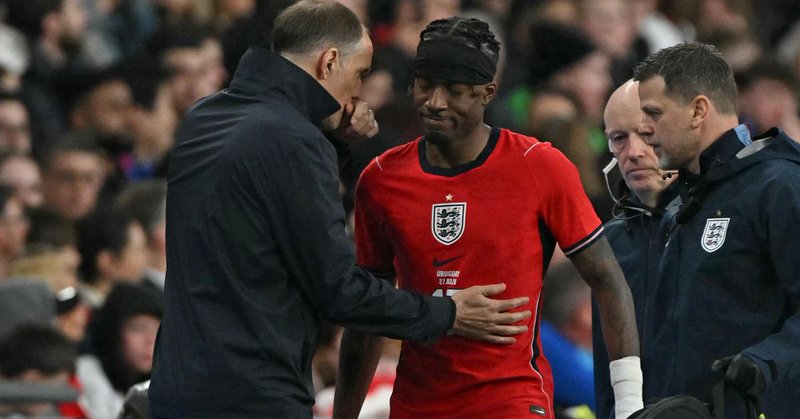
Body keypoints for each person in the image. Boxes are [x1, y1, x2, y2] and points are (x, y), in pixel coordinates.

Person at [148, 2, 531, 418]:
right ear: (329, 61)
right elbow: (339, 290)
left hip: (176, 386)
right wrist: (448, 313)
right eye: (360, 73)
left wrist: (333, 140)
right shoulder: (294, 140)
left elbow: (260, 215)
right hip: (252, 395)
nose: (359, 93)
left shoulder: (203, 117)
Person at [334, 16, 642, 419]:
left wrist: (629, 403)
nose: (435, 101)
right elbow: (366, 317)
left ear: (487, 93)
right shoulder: (381, 179)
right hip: (417, 405)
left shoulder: (539, 166)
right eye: (425, 84)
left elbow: (608, 279)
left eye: (455, 90)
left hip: (510, 400)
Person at [634, 42, 800, 418]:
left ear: (698, 110)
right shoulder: (680, 206)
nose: (643, 128)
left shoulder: (779, 187)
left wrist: (764, 362)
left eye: (654, 113)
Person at [592, 79, 679, 419]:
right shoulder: (609, 242)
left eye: (647, 135)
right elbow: (607, 363)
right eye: (619, 139)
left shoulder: (721, 221)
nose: (634, 152)